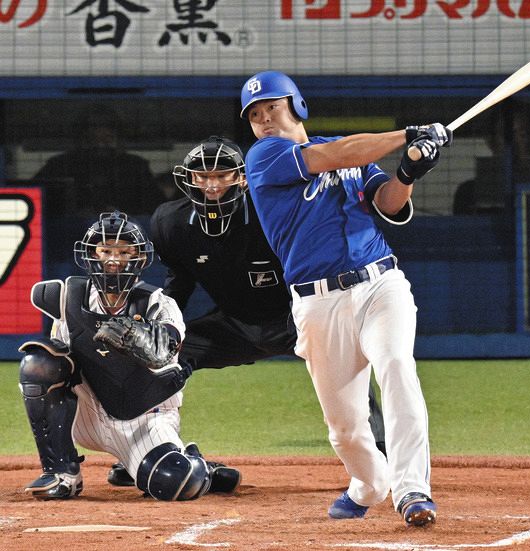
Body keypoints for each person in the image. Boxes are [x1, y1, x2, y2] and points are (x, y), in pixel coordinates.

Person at [105, 136, 386, 488]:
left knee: (345, 367)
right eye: (202, 176)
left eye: (222, 175)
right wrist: (158, 329)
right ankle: (147, 453)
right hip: (233, 327)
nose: (211, 184)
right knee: (153, 358)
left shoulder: (273, 212)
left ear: (241, 178)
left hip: (294, 319)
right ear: (188, 179)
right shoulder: (170, 223)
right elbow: (181, 284)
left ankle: (380, 451)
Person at [240, 71, 449, 526]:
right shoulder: (265, 157)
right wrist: (408, 135)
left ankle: (413, 489)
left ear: (296, 105)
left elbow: (390, 204)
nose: (264, 120)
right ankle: (370, 484)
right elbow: (333, 155)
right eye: (255, 115)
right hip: (317, 303)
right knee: (346, 428)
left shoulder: (356, 153)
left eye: (272, 107)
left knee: (396, 366)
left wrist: (410, 170)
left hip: (380, 284)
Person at [18, 210, 240, 501]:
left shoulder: (159, 303)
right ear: (90, 255)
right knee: (38, 364)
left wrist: (140, 340)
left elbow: (165, 351)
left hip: (144, 419)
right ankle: (61, 473)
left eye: (124, 251)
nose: (113, 259)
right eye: (105, 250)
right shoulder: (64, 297)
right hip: (87, 414)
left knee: (177, 482)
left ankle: (197, 467)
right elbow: (62, 362)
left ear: (139, 258)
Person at [32, 104, 163, 217]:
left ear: (118, 139)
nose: (100, 144)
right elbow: (33, 201)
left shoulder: (135, 167)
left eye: (107, 138)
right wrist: (75, 215)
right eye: (93, 138)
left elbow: (156, 208)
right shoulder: (60, 166)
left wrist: (123, 214)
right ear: (82, 139)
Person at [452, 99, 530, 215]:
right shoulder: (469, 193)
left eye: (521, 134)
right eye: (505, 134)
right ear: (491, 141)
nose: (512, 143)